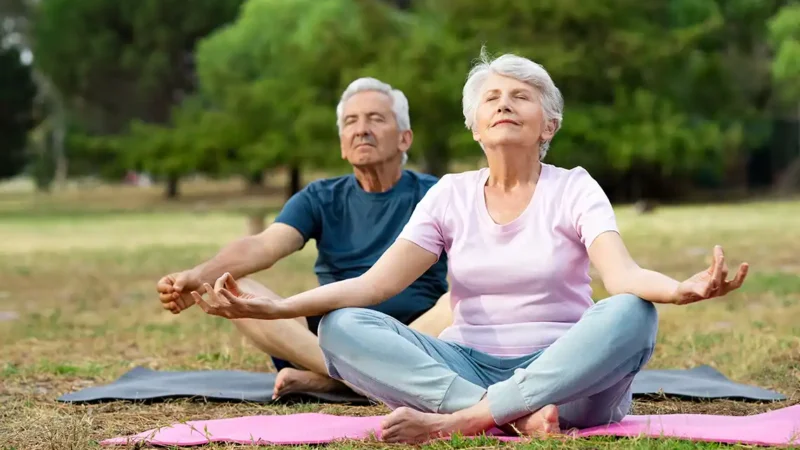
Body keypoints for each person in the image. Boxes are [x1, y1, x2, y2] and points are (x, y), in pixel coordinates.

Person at [190, 51, 749, 443]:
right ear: (475, 125)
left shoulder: (575, 186)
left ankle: (463, 421)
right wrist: (279, 307)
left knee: (632, 314)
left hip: (567, 378)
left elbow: (622, 277)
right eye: (492, 97)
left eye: (521, 97)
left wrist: (681, 289)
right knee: (342, 326)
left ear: (547, 122)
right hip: (468, 368)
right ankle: (501, 415)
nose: (505, 103)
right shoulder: (451, 195)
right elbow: (374, 286)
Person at [156, 77, 452, 400]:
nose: (361, 129)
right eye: (351, 121)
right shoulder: (320, 197)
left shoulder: (437, 194)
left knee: (458, 302)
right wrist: (199, 276)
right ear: (342, 143)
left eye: (376, 119)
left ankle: (337, 380)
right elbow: (264, 245)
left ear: (404, 139)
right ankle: (358, 377)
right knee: (234, 287)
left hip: (414, 334)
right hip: (329, 338)